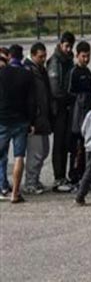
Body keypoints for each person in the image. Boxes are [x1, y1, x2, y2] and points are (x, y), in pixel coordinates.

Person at [0, 46, 35, 203]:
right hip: (21, 120)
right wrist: (31, 121)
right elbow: (31, 101)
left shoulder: (2, 73)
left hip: (3, 118)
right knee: (19, 156)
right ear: (21, 58)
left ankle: (2, 186)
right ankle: (15, 193)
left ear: (9, 57)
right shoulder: (27, 74)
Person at [47, 31, 75, 193]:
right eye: (66, 46)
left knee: (65, 143)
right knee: (59, 144)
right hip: (58, 108)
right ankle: (58, 178)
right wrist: (70, 97)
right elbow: (55, 90)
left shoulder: (68, 60)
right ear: (60, 44)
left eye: (71, 46)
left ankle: (63, 176)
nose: (69, 49)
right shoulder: (55, 62)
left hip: (66, 107)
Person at [24, 43, 53, 195]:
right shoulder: (28, 70)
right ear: (33, 55)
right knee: (36, 153)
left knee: (44, 151)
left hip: (43, 117)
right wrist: (31, 120)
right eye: (41, 56)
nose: (43, 59)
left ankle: (35, 179)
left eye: (45, 56)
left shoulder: (40, 69)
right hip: (35, 119)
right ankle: (30, 183)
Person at [67, 41, 91, 187]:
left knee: (85, 148)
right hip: (77, 116)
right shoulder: (74, 72)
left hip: (87, 114)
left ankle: (84, 176)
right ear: (77, 56)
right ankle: (74, 176)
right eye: (83, 56)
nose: (86, 59)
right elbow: (70, 93)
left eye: (88, 56)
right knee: (76, 149)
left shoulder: (88, 72)